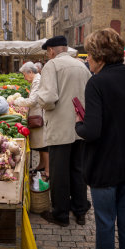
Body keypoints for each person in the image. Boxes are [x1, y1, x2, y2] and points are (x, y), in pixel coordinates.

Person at [75, 28, 125, 249]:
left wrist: (78, 123)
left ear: (100, 56)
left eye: (89, 54)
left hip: (105, 167)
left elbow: (92, 130)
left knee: (105, 224)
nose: (88, 58)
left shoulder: (97, 83)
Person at [37, 35, 91, 227]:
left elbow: (49, 97)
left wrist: (41, 103)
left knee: (59, 173)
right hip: (79, 127)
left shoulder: (52, 65)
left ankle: (60, 214)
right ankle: (80, 210)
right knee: (78, 170)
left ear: (51, 50)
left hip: (60, 127)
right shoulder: (81, 66)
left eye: (47, 51)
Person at [14, 62, 49, 176]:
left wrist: (18, 101)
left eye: (25, 75)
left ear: (30, 72)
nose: (24, 78)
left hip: (39, 115)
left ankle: (47, 170)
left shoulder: (37, 81)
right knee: (40, 144)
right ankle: (42, 165)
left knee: (43, 145)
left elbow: (33, 101)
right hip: (37, 114)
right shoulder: (36, 80)